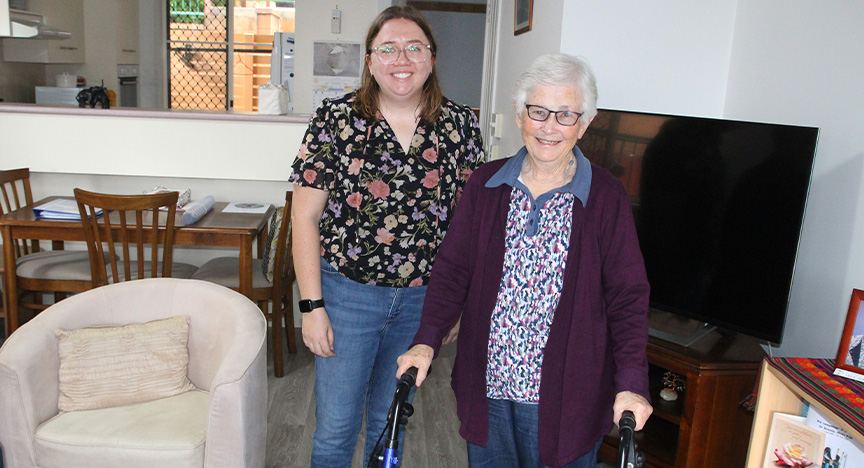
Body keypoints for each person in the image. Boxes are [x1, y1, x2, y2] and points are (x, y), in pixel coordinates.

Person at [396, 53, 653, 468]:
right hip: (488, 388)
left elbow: (628, 297)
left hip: (568, 397)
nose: (549, 126)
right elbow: (452, 271)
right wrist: (426, 340)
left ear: (585, 123)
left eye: (565, 114)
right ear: (520, 115)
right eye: (538, 111)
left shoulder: (605, 196)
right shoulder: (486, 184)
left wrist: (631, 384)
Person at [289, 5, 485, 467]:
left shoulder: (460, 126)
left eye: (415, 47)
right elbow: (304, 219)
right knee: (336, 430)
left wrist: (454, 306)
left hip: (423, 303)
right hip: (345, 296)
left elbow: (468, 231)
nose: (403, 58)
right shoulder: (335, 120)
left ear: (432, 59)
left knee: (390, 424)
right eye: (389, 48)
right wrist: (312, 307)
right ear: (371, 60)